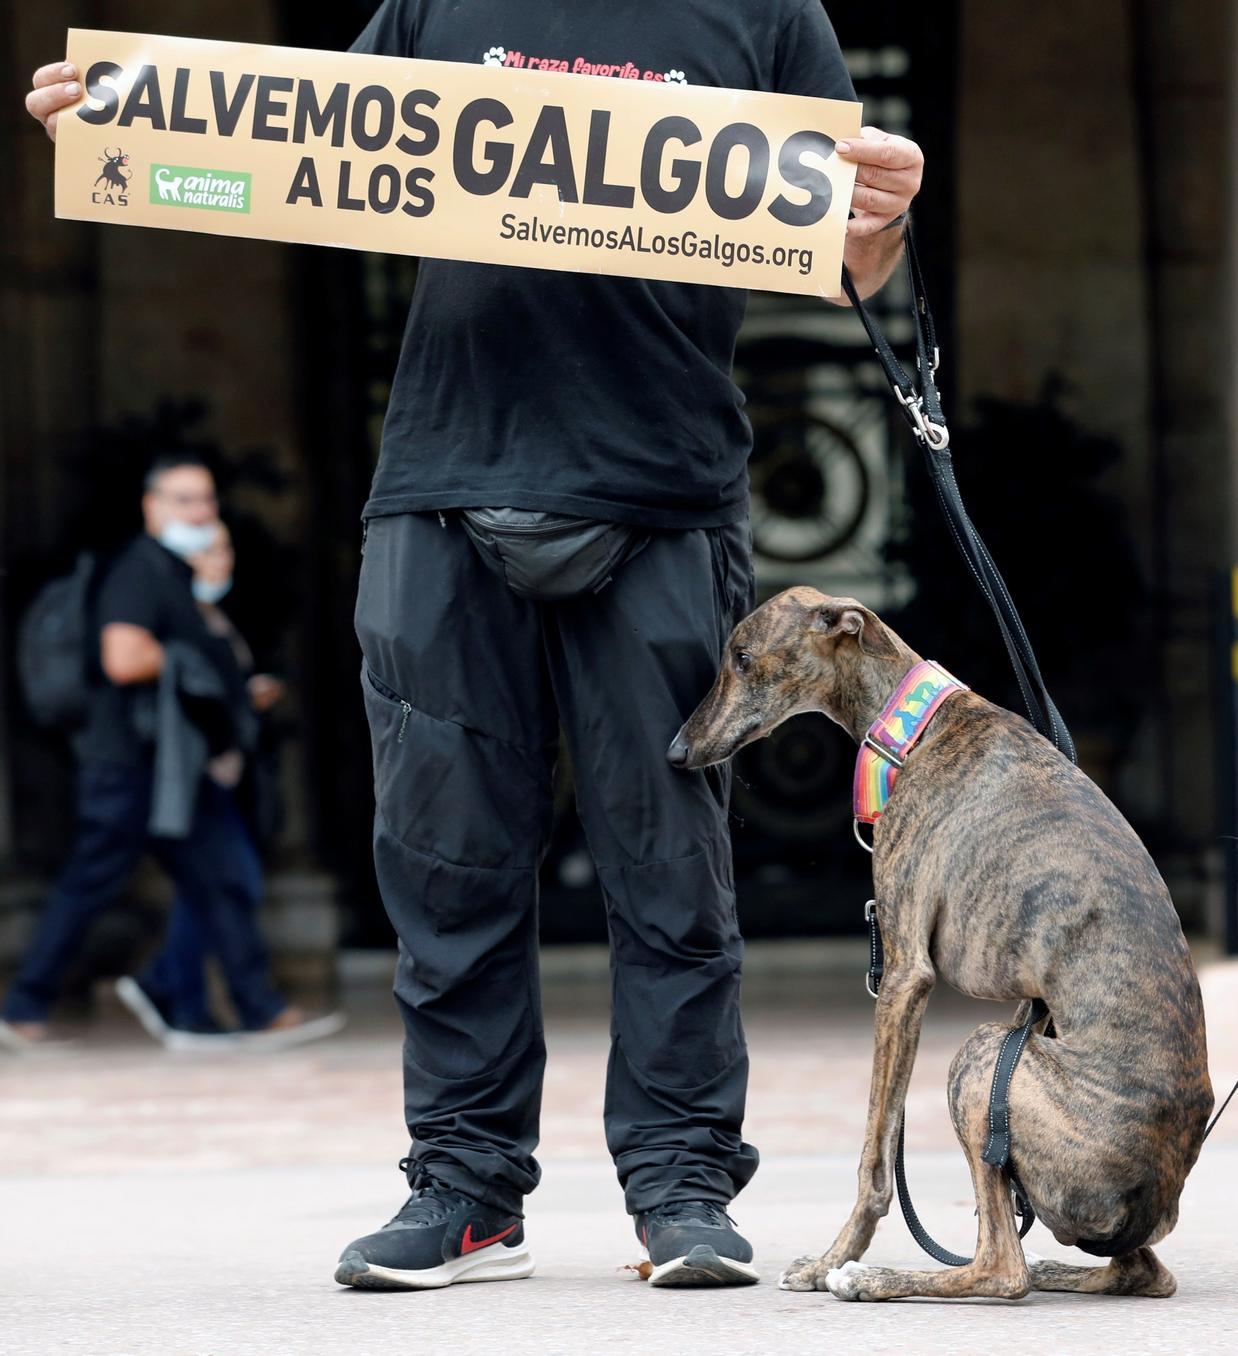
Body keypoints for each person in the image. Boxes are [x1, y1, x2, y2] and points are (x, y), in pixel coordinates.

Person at [23, 1, 923, 1290]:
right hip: (445, 485)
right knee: (443, 863)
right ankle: (462, 1189)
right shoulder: (435, 1)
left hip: (660, 495)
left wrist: (881, 214)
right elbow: (299, 155)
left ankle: (680, 1186)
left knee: (669, 866)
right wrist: (126, 115)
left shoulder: (771, 11)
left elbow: (843, 259)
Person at [0, 459, 341, 1052]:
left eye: (207, 501)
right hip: (131, 762)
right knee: (94, 879)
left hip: (173, 766)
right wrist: (204, 669)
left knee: (224, 873)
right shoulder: (139, 570)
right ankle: (28, 1004)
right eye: (186, 501)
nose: (201, 514)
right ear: (152, 506)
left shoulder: (173, 575)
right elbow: (123, 658)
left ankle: (234, 1007)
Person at [114, 523, 346, 1050]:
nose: (220, 561)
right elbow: (189, 695)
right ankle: (244, 1005)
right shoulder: (176, 618)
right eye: (208, 551)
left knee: (210, 888)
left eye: (225, 548)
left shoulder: (213, 618)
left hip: (218, 774)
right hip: (188, 775)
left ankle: (182, 1003)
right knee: (231, 880)